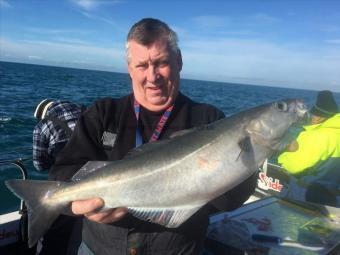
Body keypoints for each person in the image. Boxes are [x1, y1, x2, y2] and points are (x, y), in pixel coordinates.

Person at [50, 18, 257, 255]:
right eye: (142, 65)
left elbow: (231, 201)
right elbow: (63, 172)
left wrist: (239, 161)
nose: (152, 76)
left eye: (162, 63)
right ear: (129, 68)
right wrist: (78, 206)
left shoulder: (209, 120)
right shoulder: (102, 113)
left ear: (179, 61)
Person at [32, 99, 85, 255]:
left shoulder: (42, 126)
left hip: (64, 179)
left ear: (43, 114)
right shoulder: (87, 112)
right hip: (95, 173)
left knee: (54, 231)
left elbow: (39, 165)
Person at [278, 90, 340, 206]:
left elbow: (293, 167)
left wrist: (284, 157)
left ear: (320, 117)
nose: (310, 117)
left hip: (306, 194)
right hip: (332, 195)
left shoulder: (317, 136)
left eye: (313, 114)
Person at [33, 99, 84, 171]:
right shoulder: (84, 110)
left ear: (42, 116)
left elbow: (39, 165)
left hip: (65, 172)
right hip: (95, 163)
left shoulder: (41, 126)